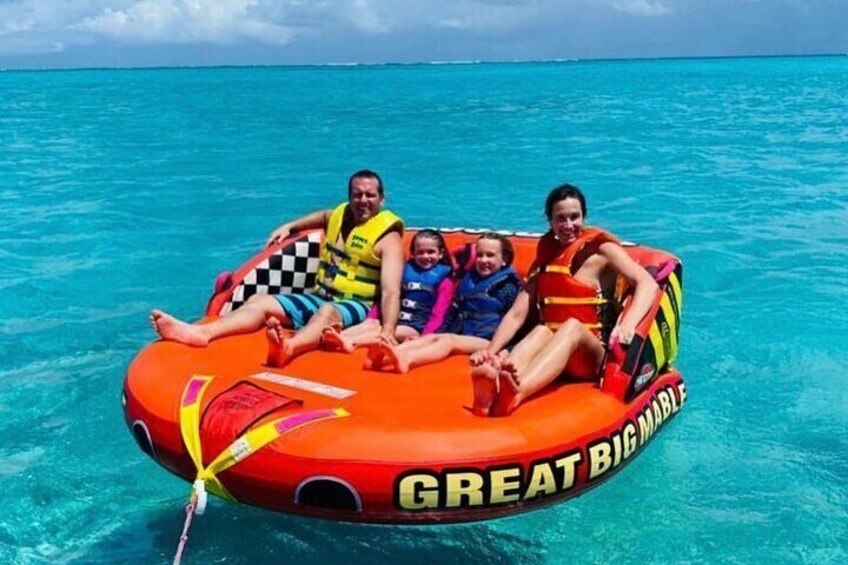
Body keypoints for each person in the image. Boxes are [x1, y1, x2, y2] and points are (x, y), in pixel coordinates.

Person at [150, 170, 405, 368]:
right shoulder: (341, 214)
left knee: (327, 311)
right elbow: (325, 216)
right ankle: (202, 333)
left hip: (358, 307)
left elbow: (391, 291)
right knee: (259, 301)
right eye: (357, 194)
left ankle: (289, 348)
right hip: (321, 297)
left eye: (370, 195)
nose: (363, 201)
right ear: (349, 196)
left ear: (382, 198)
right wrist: (290, 226)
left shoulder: (388, 238)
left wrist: (387, 332)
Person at [470, 184, 658, 416]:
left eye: (574, 217)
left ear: (584, 216)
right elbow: (518, 312)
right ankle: (494, 389)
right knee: (542, 331)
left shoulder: (601, 250)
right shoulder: (547, 256)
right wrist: (491, 351)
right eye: (561, 218)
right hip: (552, 356)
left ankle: (517, 391)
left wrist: (628, 324)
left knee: (572, 327)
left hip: (590, 357)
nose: (569, 225)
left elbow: (647, 283)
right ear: (549, 220)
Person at [366, 232, 521, 374]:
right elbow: (453, 313)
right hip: (466, 334)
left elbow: (518, 322)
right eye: (480, 255)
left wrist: (504, 350)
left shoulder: (507, 287)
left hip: (488, 340)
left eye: (490, 255)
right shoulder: (469, 279)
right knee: (431, 338)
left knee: (449, 341)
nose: (483, 260)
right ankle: (388, 355)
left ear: (504, 259)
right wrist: (430, 335)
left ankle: (408, 359)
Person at [322, 229, 454, 351]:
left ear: (440, 253)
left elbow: (439, 314)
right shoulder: (405, 270)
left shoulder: (445, 281)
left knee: (384, 330)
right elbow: (388, 295)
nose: (425, 256)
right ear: (413, 253)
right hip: (393, 320)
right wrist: (372, 317)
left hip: (415, 327)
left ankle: (351, 342)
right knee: (369, 325)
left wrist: (424, 338)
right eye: (420, 252)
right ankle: (335, 336)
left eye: (430, 252)